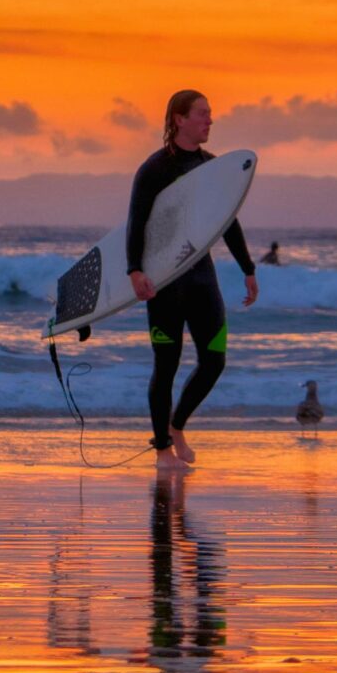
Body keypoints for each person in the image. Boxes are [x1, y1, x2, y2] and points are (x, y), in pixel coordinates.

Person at [129, 89, 257, 469]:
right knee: (165, 366)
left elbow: (228, 221)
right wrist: (134, 270)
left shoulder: (213, 168)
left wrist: (247, 268)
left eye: (210, 113)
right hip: (165, 283)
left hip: (202, 279)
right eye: (202, 113)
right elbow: (137, 223)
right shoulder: (154, 169)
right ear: (178, 119)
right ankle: (162, 448)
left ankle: (178, 424)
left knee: (214, 360)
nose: (210, 120)